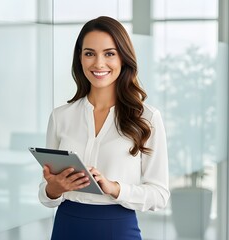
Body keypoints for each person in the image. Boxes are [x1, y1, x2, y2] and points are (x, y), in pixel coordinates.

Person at [38, 16, 170, 239]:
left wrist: (114, 188)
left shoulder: (146, 118)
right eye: (89, 53)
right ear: (79, 58)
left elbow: (159, 195)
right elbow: (45, 193)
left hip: (118, 229)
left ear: (123, 58)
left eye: (109, 53)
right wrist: (55, 188)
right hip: (67, 226)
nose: (98, 63)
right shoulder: (61, 116)